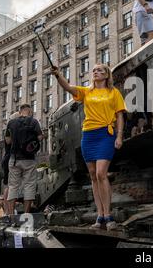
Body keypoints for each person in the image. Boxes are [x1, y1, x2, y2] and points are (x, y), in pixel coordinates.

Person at [51, 63, 126, 231]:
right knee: (93, 175)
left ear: (107, 75)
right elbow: (68, 88)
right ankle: (99, 215)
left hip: (106, 134)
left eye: (100, 70)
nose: (96, 72)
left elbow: (120, 115)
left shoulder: (113, 92)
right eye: (94, 70)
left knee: (101, 173)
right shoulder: (87, 91)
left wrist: (119, 136)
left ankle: (108, 215)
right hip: (89, 135)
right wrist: (58, 75)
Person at [5, 104, 43, 215]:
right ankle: (26, 214)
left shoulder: (11, 123)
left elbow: (7, 140)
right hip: (29, 159)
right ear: (29, 111)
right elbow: (40, 137)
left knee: (13, 186)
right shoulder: (34, 122)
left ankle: (11, 214)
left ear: (20, 111)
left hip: (15, 159)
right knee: (29, 186)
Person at [1, 112, 21, 215]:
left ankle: (8, 211)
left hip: (9, 158)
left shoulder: (9, 130)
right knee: (10, 186)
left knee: (9, 186)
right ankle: (8, 211)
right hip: (10, 158)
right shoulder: (11, 130)